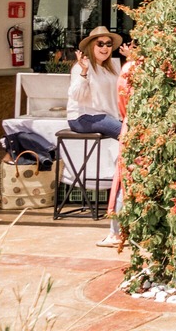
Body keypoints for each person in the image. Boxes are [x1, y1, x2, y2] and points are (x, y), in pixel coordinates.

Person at [99, 38, 138, 249]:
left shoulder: (130, 68)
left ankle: (118, 231)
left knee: (125, 178)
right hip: (149, 127)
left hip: (132, 126)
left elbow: (122, 104)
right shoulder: (160, 68)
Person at [68, 26, 123, 138]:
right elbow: (76, 95)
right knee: (126, 134)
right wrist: (84, 72)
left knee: (136, 131)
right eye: (100, 44)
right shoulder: (82, 66)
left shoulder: (113, 67)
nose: (105, 48)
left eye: (108, 44)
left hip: (107, 117)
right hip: (82, 117)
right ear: (91, 46)